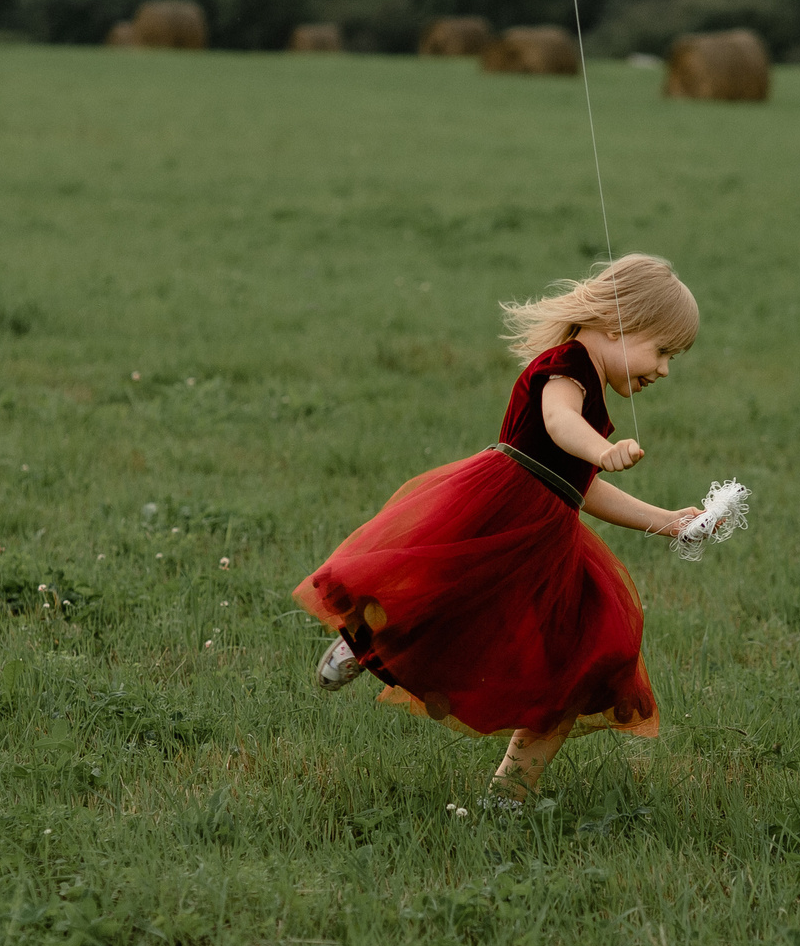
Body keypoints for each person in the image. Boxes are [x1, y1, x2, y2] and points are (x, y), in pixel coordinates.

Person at [295, 254, 700, 805]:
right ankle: (362, 644)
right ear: (617, 324)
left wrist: (666, 521)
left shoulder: (592, 383)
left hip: (549, 534)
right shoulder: (569, 365)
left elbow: (578, 484)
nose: (666, 370)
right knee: (442, 601)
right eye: (662, 351)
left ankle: (511, 794)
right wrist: (601, 447)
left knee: (577, 657)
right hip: (501, 513)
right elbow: (559, 422)